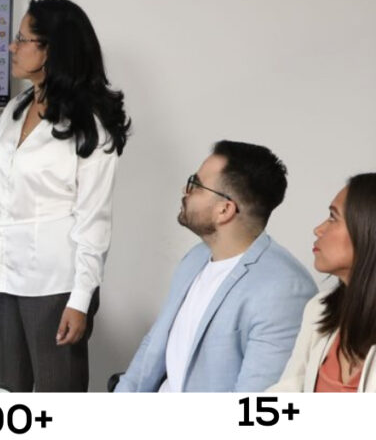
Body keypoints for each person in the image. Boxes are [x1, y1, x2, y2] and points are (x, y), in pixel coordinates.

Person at [0, 0, 131, 392]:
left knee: (58, 402)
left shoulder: (90, 125)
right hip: (6, 275)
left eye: (23, 39)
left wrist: (80, 299)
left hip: (56, 286)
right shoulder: (19, 107)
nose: (12, 46)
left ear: (52, 50)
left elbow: (94, 221)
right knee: (7, 396)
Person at [115, 141, 317, 392]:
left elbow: (255, 400)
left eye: (196, 185)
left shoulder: (284, 290)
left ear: (225, 210)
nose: (185, 190)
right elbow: (153, 344)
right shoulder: (196, 258)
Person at [269, 173, 376, 392]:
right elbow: (287, 390)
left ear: (368, 230)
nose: (318, 229)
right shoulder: (319, 309)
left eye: (333, 217)